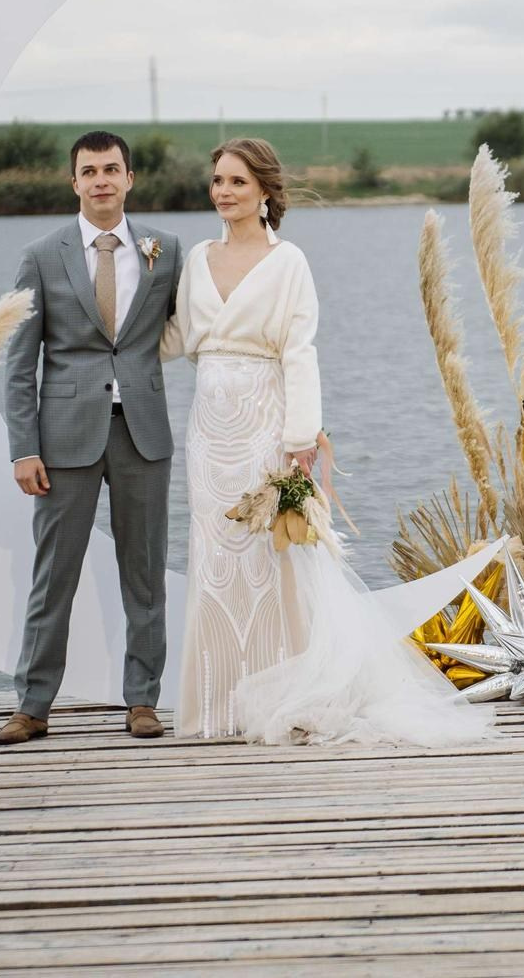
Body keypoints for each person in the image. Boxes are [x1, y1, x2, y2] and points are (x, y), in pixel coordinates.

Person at [164, 137, 494, 746]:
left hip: (267, 422)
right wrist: (107, 324)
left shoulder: (288, 262)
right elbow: (180, 339)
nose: (224, 192)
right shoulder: (197, 259)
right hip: (210, 428)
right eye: (217, 181)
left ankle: (289, 692)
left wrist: (298, 437)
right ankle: (216, 704)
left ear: (264, 190)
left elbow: (299, 351)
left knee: (273, 557)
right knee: (215, 556)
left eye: (237, 181)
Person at [0, 131, 181, 744]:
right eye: (89, 171)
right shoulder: (42, 256)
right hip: (64, 441)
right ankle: (33, 705)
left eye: (112, 169)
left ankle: (143, 701)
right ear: (73, 182)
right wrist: (24, 447)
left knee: (145, 573)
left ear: (130, 179)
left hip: (142, 435)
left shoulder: (166, 251)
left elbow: (200, 324)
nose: (101, 180)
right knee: (55, 576)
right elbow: (20, 364)